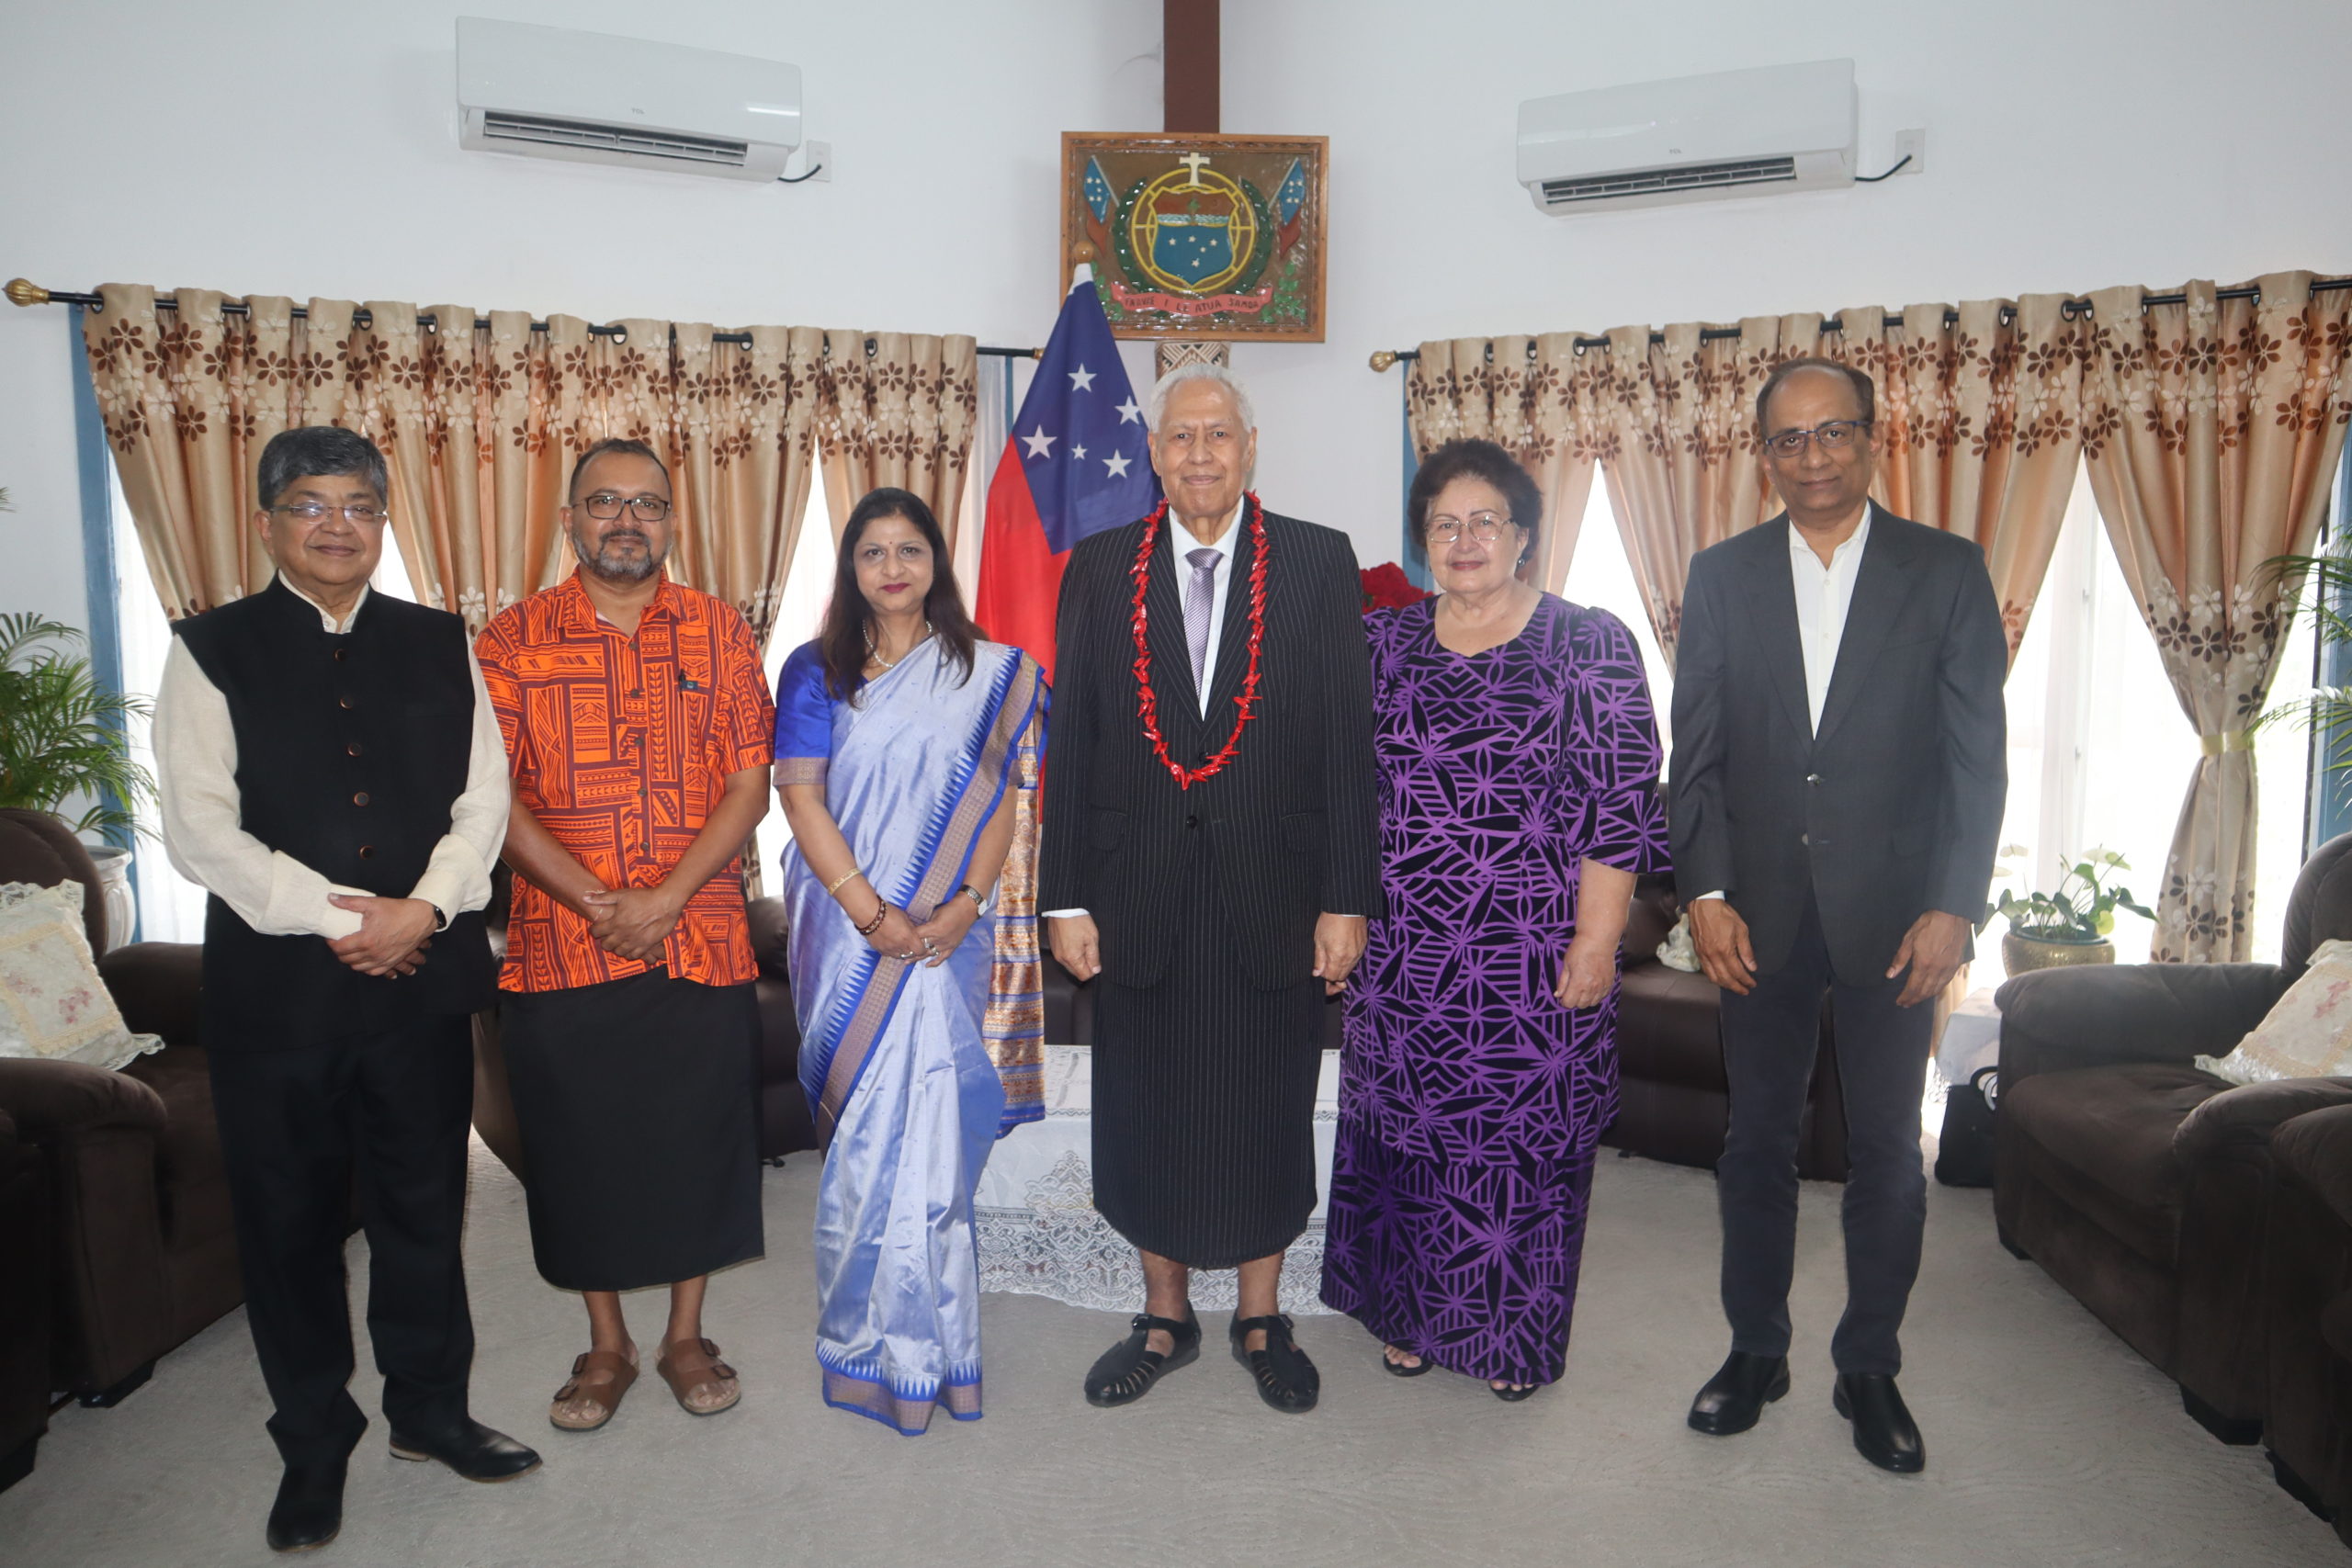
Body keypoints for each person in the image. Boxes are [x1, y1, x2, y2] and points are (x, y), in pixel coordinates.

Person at [154, 426, 537, 1553]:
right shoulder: (209, 647)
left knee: (426, 1208)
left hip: (419, 982)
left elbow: (485, 796)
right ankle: (314, 1442)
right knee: (289, 1228)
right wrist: (339, 920)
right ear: (268, 520)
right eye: (312, 504)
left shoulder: (436, 640)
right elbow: (198, 830)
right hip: (278, 1000)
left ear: (383, 523)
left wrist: (424, 909)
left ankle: (430, 1412)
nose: (337, 525)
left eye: (360, 506)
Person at [1669, 357, 2007, 1473]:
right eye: (1788, 441)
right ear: (1761, 455)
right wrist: (1705, 894)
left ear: (1873, 440)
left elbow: (1975, 759)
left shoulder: (1946, 571)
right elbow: (1698, 756)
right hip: (1755, 914)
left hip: (1896, 916)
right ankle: (1754, 1349)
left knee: (1885, 1157)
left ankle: (1868, 1366)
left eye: (1832, 434)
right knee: (1753, 1142)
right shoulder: (1720, 577)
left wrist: (1956, 904)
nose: (1812, 457)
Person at [1040, 362, 1381, 1415]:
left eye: (1217, 435)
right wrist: (1065, 898)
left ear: (1249, 445)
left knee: (1263, 1111)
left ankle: (1261, 1316)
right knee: (1144, 1111)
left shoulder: (1320, 565)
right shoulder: (1098, 568)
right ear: (1153, 453)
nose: (1198, 453)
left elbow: (1344, 746)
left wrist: (1345, 896)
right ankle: (1163, 1315)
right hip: (1133, 890)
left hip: (1273, 896)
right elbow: (1079, 740)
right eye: (1180, 435)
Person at [1320, 437, 1668, 1400]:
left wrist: (1596, 942)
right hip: (1401, 952)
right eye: (1444, 524)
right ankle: (1408, 1317)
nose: (1464, 540)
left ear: (1522, 537)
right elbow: (1339, 791)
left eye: (1485, 522)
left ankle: (1505, 1341)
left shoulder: (1589, 644)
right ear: (1422, 539)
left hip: (1530, 953)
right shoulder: (1380, 643)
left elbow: (1620, 803)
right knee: (1405, 1138)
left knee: (1518, 1149)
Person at [473, 437, 774, 1434]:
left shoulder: (722, 634)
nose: (626, 521)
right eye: (605, 503)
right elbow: (493, 800)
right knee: (578, 1149)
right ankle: (607, 1344)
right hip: (561, 945)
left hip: (701, 937)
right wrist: (606, 903)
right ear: (570, 521)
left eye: (647, 505)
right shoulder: (509, 641)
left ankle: (687, 1334)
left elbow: (748, 784)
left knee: (695, 1142)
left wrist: (667, 898)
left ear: (671, 525)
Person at [774, 487, 1046, 1435]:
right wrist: (868, 911)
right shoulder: (815, 673)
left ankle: (938, 1353)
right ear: (850, 570)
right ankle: (859, 1343)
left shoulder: (993, 671)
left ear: (937, 562)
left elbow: (1004, 802)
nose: (892, 567)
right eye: (872, 552)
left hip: (946, 936)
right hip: (847, 931)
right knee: (859, 1148)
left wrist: (964, 905)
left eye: (910, 550)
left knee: (931, 1145)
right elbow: (801, 801)